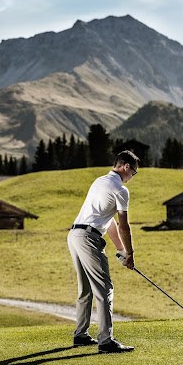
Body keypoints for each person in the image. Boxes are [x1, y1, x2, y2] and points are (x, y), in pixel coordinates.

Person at [67, 150, 140, 353]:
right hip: (89, 238)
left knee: (85, 290)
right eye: (133, 173)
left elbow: (108, 222)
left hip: (74, 235)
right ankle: (106, 340)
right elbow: (124, 226)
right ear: (126, 167)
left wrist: (120, 250)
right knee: (104, 289)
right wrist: (131, 254)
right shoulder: (120, 190)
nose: (131, 177)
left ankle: (80, 335)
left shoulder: (100, 181)